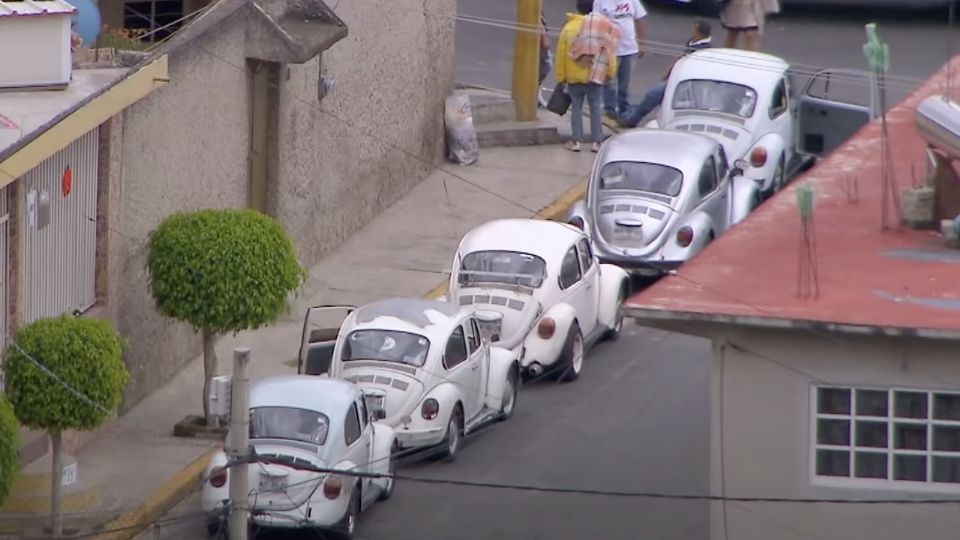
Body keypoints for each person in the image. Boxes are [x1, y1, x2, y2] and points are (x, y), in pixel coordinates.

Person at [618, 19, 712, 128]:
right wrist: (670, 71)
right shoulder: (693, 42)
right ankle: (633, 113)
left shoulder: (704, 50)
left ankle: (632, 120)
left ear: (699, 32)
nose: (692, 31)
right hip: (677, 74)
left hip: (684, 80)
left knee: (653, 95)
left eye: (694, 29)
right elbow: (681, 58)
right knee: (653, 97)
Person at [556, 0, 620, 152]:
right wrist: (610, 73)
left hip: (573, 76)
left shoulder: (568, 28)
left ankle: (576, 141)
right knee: (596, 108)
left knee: (576, 109)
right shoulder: (602, 27)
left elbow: (561, 54)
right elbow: (609, 52)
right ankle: (597, 142)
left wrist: (561, 77)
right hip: (595, 75)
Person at [593, 0, 647, 121]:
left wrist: (642, 43)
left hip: (629, 49)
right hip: (610, 50)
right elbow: (596, 24)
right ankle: (610, 110)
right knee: (609, 83)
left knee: (625, 84)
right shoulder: (600, 2)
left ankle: (623, 110)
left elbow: (639, 20)